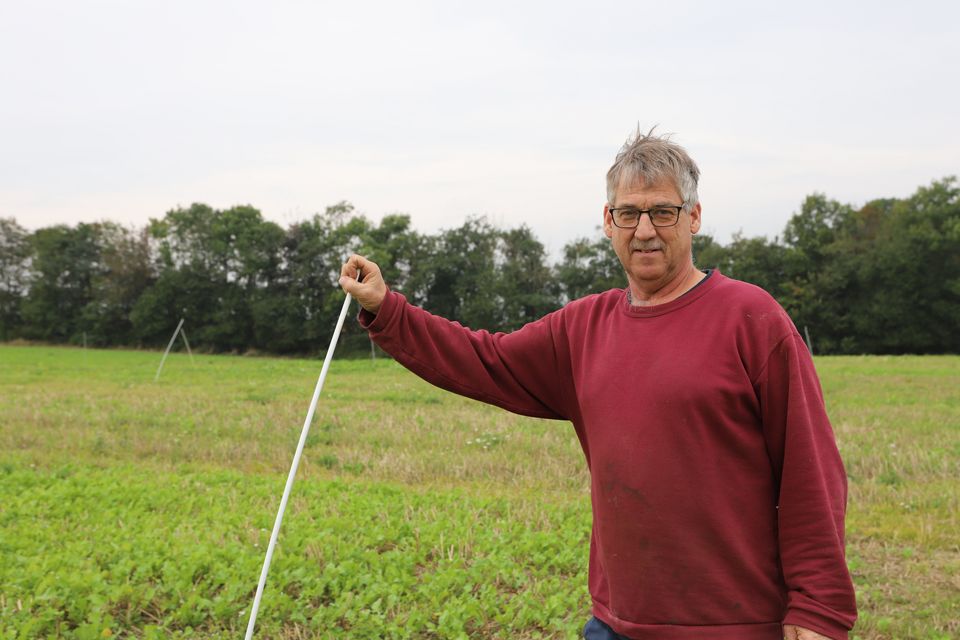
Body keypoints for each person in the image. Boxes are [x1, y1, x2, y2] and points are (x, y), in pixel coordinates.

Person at [338, 129, 857, 640]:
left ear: (694, 217)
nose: (645, 230)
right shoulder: (583, 329)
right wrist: (388, 310)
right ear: (608, 223)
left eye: (663, 211)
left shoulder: (751, 318)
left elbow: (810, 470)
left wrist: (818, 608)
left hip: (734, 627)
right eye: (628, 214)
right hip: (615, 625)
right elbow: (486, 359)